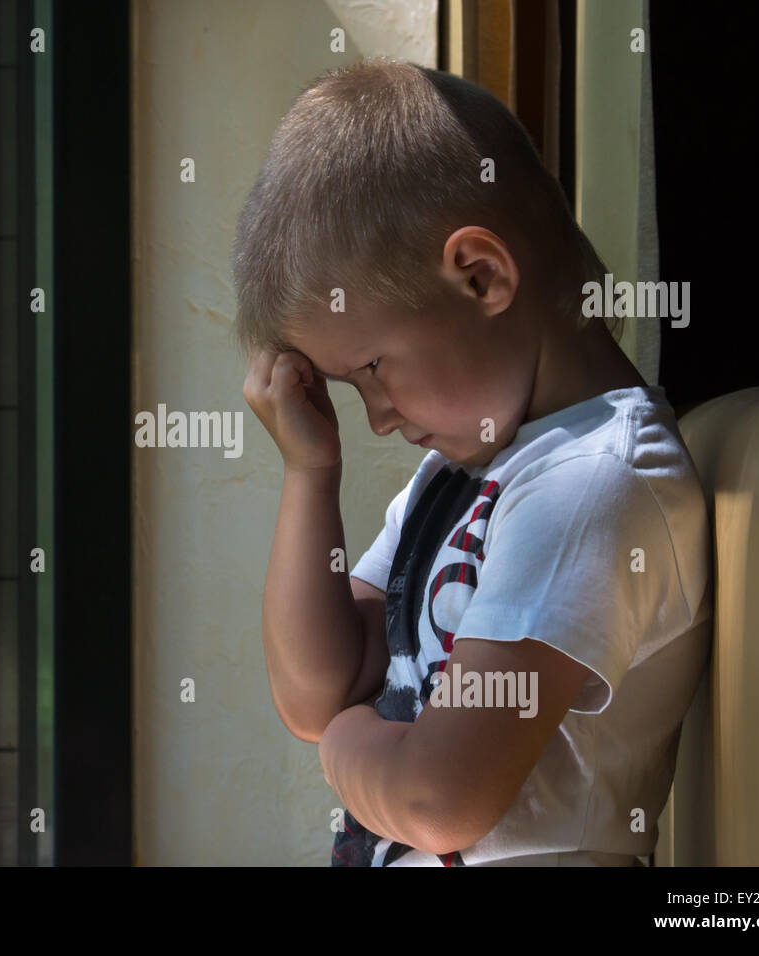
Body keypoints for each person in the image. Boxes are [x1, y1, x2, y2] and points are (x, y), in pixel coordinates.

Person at [235, 58, 710, 866]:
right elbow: (318, 690)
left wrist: (348, 742)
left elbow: (436, 798)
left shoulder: (592, 483)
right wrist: (310, 475)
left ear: (481, 276)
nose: (378, 418)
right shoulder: (462, 477)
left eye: (373, 370)